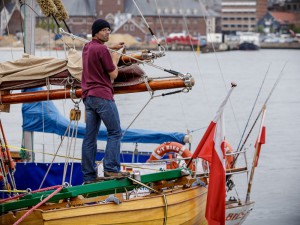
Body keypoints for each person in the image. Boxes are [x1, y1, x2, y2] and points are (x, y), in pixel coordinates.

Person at [81, 19, 129, 184]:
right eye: (104, 30)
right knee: (115, 132)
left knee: (90, 137)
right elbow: (113, 74)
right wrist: (115, 57)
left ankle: (88, 176)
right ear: (96, 32)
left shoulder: (87, 47)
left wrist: (110, 48)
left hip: (88, 97)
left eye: (109, 29)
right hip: (102, 96)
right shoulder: (102, 50)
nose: (108, 32)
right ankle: (111, 169)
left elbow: (98, 50)